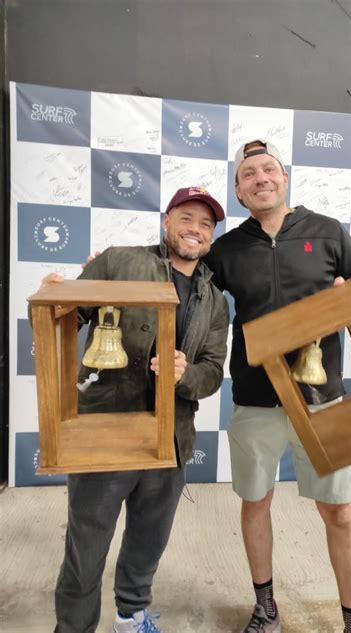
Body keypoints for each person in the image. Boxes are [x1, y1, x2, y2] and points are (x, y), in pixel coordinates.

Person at [41, 187, 229, 633]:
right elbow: (71, 314)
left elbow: (214, 370)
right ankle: (73, 628)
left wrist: (184, 376)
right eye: (186, 218)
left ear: (211, 237)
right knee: (86, 545)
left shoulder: (215, 299)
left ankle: (131, 615)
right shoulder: (119, 260)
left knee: (149, 540)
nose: (195, 229)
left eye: (205, 224)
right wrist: (57, 292)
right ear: (166, 221)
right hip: (105, 432)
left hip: (171, 439)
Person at [205, 140, 351, 633]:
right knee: (256, 503)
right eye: (248, 174)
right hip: (256, 400)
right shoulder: (227, 248)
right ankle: (265, 608)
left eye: (268, 169)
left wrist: (349, 298)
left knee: (339, 511)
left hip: (322, 400)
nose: (260, 179)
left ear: (285, 176)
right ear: (238, 190)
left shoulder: (328, 232)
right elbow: (185, 285)